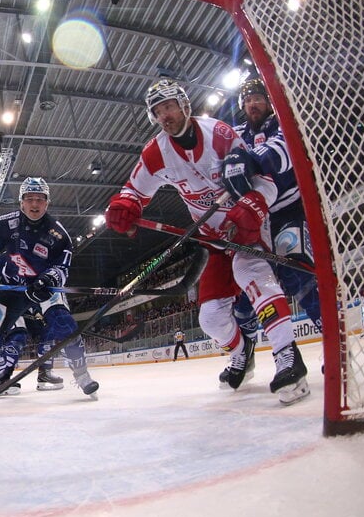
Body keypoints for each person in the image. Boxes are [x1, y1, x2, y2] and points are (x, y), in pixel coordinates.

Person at [105, 79, 309, 405]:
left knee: (251, 276)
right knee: (210, 319)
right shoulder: (156, 152)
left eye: (169, 107)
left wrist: (253, 205)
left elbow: (264, 180)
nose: (165, 116)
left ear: (185, 105)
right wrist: (125, 206)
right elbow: (134, 190)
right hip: (214, 241)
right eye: (158, 112)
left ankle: (288, 357)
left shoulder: (221, 134)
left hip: (245, 230)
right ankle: (242, 353)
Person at [221, 78, 322, 385]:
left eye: (257, 98)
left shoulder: (284, 124)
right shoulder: (235, 134)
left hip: (286, 212)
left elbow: (277, 156)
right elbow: (221, 165)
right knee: (244, 291)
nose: (252, 103)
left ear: (268, 100)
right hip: (254, 217)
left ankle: (336, 346)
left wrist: (245, 160)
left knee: (300, 278)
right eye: (247, 99)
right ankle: (245, 351)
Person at [0, 177, 98, 397]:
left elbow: (62, 268)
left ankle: (82, 374)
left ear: (47, 203)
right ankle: (1, 379)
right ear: (21, 202)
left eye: (39, 199)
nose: (34, 204)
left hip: (43, 290)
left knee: (65, 326)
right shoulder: (5, 224)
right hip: (12, 289)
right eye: (29, 199)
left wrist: (48, 280)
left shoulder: (59, 234)